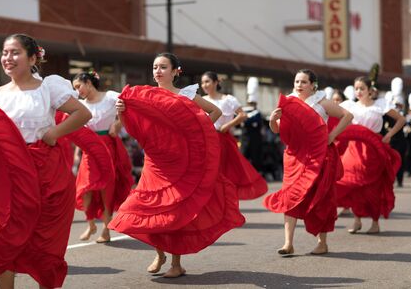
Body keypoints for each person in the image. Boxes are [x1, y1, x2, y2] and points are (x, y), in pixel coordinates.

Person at [0, 34, 91, 289]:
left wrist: (54, 133)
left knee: (44, 242)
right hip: (4, 178)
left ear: (33, 58)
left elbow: (82, 113)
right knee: (2, 236)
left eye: (15, 53)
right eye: (5, 53)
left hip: (44, 174)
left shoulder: (48, 87)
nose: (7, 58)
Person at [109, 52, 245, 278]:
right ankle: (160, 253)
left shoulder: (186, 94)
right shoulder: (146, 95)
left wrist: (195, 132)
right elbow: (136, 129)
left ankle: (175, 263)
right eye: (155, 67)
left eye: (163, 67)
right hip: (156, 161)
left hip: (182, 162)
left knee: (177, 211)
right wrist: (122, 114)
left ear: (175, 71)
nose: (158, 71)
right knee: (150, 207)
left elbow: (215, 112)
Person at [264, 69, 353, 255]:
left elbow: (347, 116)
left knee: (321, 197)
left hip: (319, 155)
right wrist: (273, 120)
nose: (299, 85)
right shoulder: (288, 102)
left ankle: (322, 243)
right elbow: (277, 130)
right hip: (295, 156)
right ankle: (288, 243)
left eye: (304, 82)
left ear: (313, 85)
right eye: (297, 81)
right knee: (290, 196)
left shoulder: (322, 102)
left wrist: (332, 136)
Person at [336, 76, 405, 234]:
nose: (358, 92)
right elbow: (333, 119)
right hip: (354, 149)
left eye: (362, 88)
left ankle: (375, 222)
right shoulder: (349, 106)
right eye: (356, 88)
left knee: (373, 186)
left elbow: (400, 119)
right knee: (351, 183)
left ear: (369, 90)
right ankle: (357, 220)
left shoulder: (380, 105)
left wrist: (389, 135)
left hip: (373, 150)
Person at [72, 70, 134, 243]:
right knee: (85, 188)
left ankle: (106, 229)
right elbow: (79, 130)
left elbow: (127, 104)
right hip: (89, 150)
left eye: (79, 86)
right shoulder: (80, 104)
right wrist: (77, 152)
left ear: (89, 82)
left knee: (106, 188)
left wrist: (118, 123)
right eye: (75, 88)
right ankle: (91, 223)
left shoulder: (110, 97)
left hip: (108, 146)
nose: (78, 91)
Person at [201, 71, 267, 200]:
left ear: (216, 82)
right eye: (203, 82)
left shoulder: (228, 99)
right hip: (207, 140)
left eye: (207, 81)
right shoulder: (202, 100)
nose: (204, 85)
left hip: (223, 139)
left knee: (224, 170)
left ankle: (225, 198)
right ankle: (213, 199)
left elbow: (243, 115)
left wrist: (227, 125)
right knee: (208, 171)